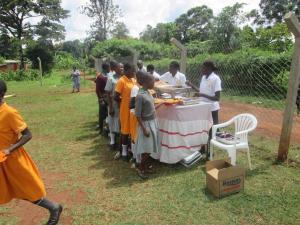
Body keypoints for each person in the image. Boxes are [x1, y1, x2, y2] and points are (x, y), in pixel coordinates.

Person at [0, 80, 63, 225]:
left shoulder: (9, 112)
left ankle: (53, 208)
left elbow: (28, 134)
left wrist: (10, 149)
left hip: (12, 159)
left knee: (26, 189)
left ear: (1, 94)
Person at [135, 74, 159, 179]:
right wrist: (144, 129)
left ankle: (146, 167)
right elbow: (137, 115)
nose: (154, 83)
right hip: (146, 124)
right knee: (147, 149)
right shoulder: (140, 95)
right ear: (146, 82)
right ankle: (141, 169)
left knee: (150, 148)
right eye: (152, 81)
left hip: (152, 122)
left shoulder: (147, 92)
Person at [187, 60, 221, 125]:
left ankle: (214, 135)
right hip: (203, 106)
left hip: (212, 108)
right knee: (204, 127)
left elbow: (217, 98)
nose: (201, 69)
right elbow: (201, 91)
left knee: (213, 128)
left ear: (209, 68)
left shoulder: (216, 79)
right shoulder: (203, 77)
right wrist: (191, 85)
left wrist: (202, 95)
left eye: (203, 68)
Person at [114, 63, 136, 160]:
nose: (134, 72)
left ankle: (131, 150)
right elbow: (116, 96)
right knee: (125, 131)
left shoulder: (133, 80)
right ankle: (123, 152)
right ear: (126, 71)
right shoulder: (121, 81)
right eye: (132, 71)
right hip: (125, 110)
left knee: (132, 131)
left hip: (133, 110)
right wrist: (123, 102)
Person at [105, 63, 123, 149]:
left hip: (122, 105)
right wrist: (110, 107)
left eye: (123, 67)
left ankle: (121, 142)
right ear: (115, 68)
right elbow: (108, 94)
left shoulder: (124, 78)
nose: (122, 68)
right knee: (112, 122)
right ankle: (112, 141)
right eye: (120, 67)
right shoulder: (111, 79)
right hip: (114, 104)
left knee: (120, 122)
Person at [129, 71, 144, 167]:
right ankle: (137, 159)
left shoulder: (139, 88)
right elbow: (132, 104)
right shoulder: (135, 88)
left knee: (135, 136)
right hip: (135, 115)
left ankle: (136, 157)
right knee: (136, 137)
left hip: (136, 114)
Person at [95, 63, 110, 134]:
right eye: (108, 68)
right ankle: (101, 129)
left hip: (108, 97)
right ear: (105, 68)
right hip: (103, 98)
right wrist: (100, 99)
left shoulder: (109, 75)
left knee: (108, 114)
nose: (110, 69)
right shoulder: (100, 77)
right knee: (102, 114)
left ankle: (107, 129)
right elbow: (97, 89)